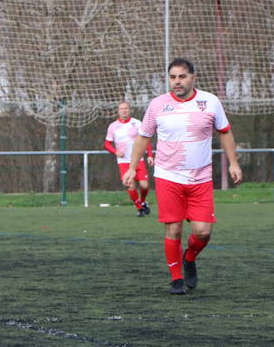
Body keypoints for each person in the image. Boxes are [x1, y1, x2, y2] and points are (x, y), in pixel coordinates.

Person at [125, 58, 242, 294]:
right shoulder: (158, 105)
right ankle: (176, 279)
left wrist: (233, 163)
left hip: (201, 179)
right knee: (174, 229)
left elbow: (225, 132)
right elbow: (143, 137)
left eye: (182, 76)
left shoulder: (210, 102)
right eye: (172, 77)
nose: (177, 82)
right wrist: (132, 167)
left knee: (203, 232)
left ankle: (189, 257)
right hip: (169, 177)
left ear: (193, 77)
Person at [104, 100, 151, 216]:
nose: (124, 110)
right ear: (118, 111)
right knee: (130, 184)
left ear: (129, 110)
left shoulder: (137, 123)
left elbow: (146, 140)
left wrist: (150, 155)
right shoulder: (113, 126)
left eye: (126, 108)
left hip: (138, 159)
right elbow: (107, 144)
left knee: (144, 185)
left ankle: (143, 201)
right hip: (124, 161)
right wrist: (116, 152)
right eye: (121, 109)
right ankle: (139, 208)